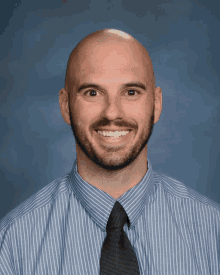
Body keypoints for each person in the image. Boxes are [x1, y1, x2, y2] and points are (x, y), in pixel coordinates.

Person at [0, 29, 219, 275]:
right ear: (65, 106)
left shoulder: (213, 231)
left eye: (131, 92)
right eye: (92, 93)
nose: (112, 113)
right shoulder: (12, 243)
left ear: (156, 105)